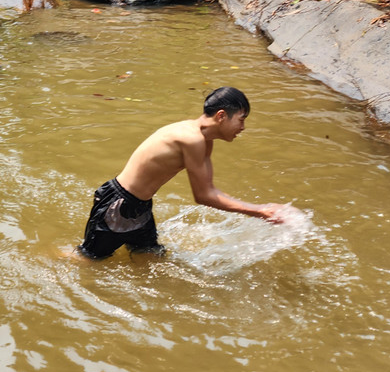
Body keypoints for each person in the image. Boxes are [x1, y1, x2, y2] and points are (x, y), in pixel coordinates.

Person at [77, 86, 287, 260]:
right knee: (86, 260)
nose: (243, 127)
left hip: (140, 206)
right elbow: (202, 196)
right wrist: (260, 211)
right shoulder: (191, 139)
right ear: (221, 116)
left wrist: (261, 209)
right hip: (117, 204)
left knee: (151, 257)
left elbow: (210, 190)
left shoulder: (205, 141)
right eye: (241, 119)